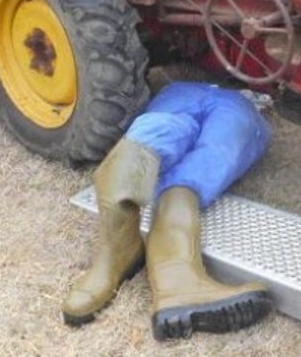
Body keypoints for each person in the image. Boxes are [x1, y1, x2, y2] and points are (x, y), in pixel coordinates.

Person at [62, 82, 273, 341]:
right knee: (162, 134)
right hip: (189, 93)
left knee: (214, 140)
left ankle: (174, 275)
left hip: (223, 100)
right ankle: (120, 254)